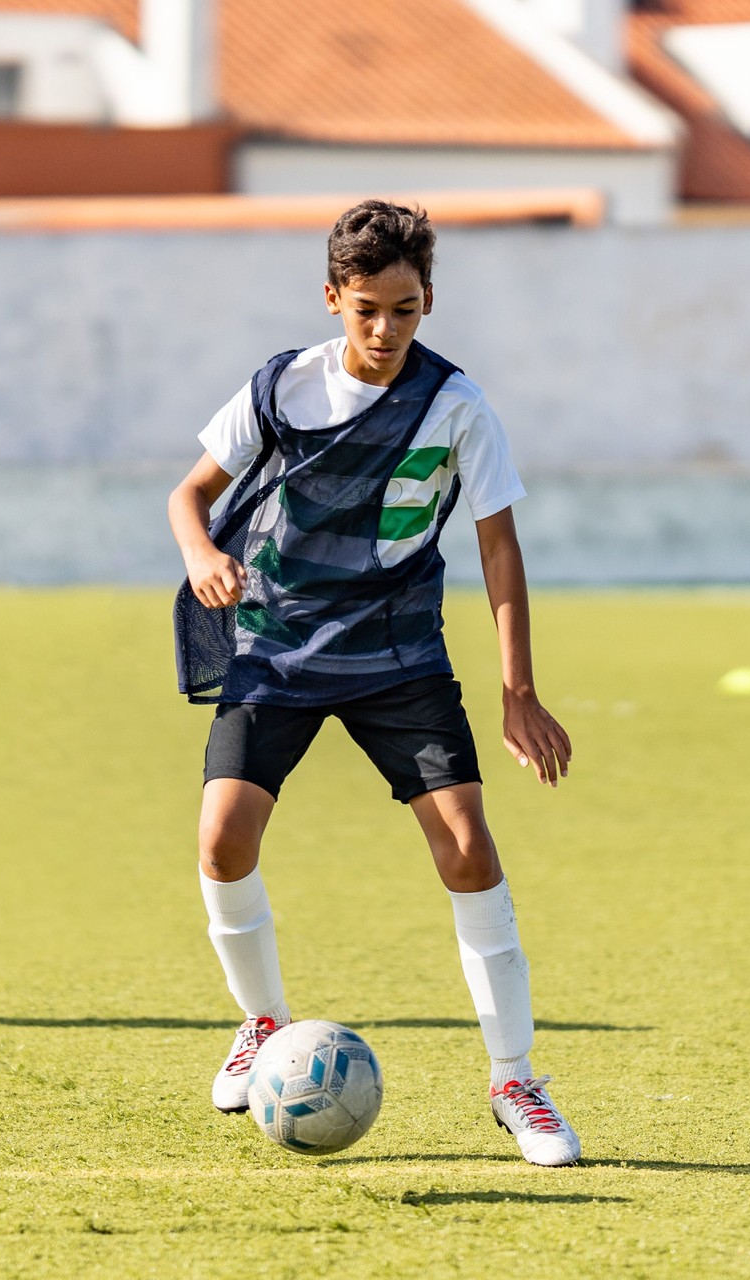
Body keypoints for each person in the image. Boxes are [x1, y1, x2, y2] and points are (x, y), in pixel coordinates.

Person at [166, 200, 579, 1166]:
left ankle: (516, 1080)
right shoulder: (278, 387)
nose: (386, 330)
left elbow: (499, 543)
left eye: (406, 308)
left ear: (427, 299)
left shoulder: (456, 407)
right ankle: (264, 1022)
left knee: (469, 850)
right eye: (366, 310)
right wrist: (198, 554)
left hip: (398, 659)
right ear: (333, 301)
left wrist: (518, 689)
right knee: (222, 842)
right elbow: (191, 494)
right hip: (276, 648)